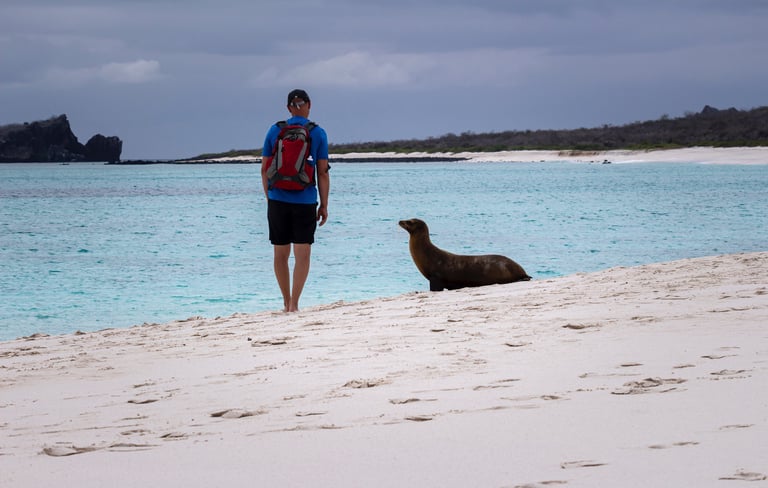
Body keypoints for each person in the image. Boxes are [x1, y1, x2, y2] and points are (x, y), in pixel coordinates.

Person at [261, 89, 330, 313]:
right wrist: (324, 205)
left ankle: (284, 300)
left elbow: (264, 169)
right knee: (302, 254)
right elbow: (322, 172)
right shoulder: (317, 133)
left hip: (277, 199)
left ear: (289, 108)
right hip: (305, 200)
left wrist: (269, 197)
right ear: (309, 105)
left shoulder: (275, 130)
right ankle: (294, 304)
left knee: (280, 255)